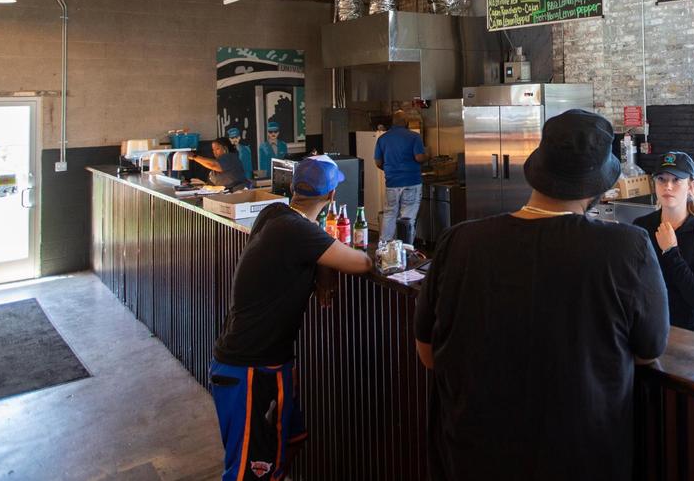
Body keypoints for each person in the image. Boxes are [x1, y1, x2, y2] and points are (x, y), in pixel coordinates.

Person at [414, 109, 669, 481]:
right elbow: (650, 349)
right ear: (597, 188)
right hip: (582, 457)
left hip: (471, 454)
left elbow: (428, 354)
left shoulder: (460, 241)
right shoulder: (627, 248)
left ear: (538, 171)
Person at [210, 156, 372, 481]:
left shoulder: (275, 214)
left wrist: (322, 271)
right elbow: (363, 263)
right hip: (251, 368)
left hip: (261, 361)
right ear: (331, 196)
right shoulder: (296, 231)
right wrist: (326, 270)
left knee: (290, 440)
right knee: (249, 471)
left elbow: (312, 246)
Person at [633, 151, 694, 335]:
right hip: (651, 330)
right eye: (661, 179)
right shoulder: (642, 226)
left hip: (692, 335)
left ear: (691, 186)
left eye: (676, 180)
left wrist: (671, 252)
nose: (667, 186)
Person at [373, 110, 428, 241]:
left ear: (393, 122)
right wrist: (427, 156)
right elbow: (419, 157)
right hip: (411, 182)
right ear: (406, 122)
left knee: (389, 214)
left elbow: (378, 162)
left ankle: (384, 246)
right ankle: (405, 248)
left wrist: (390, 170)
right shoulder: (414, 137)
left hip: (391, 183)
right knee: (407, 218)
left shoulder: (383, 138)